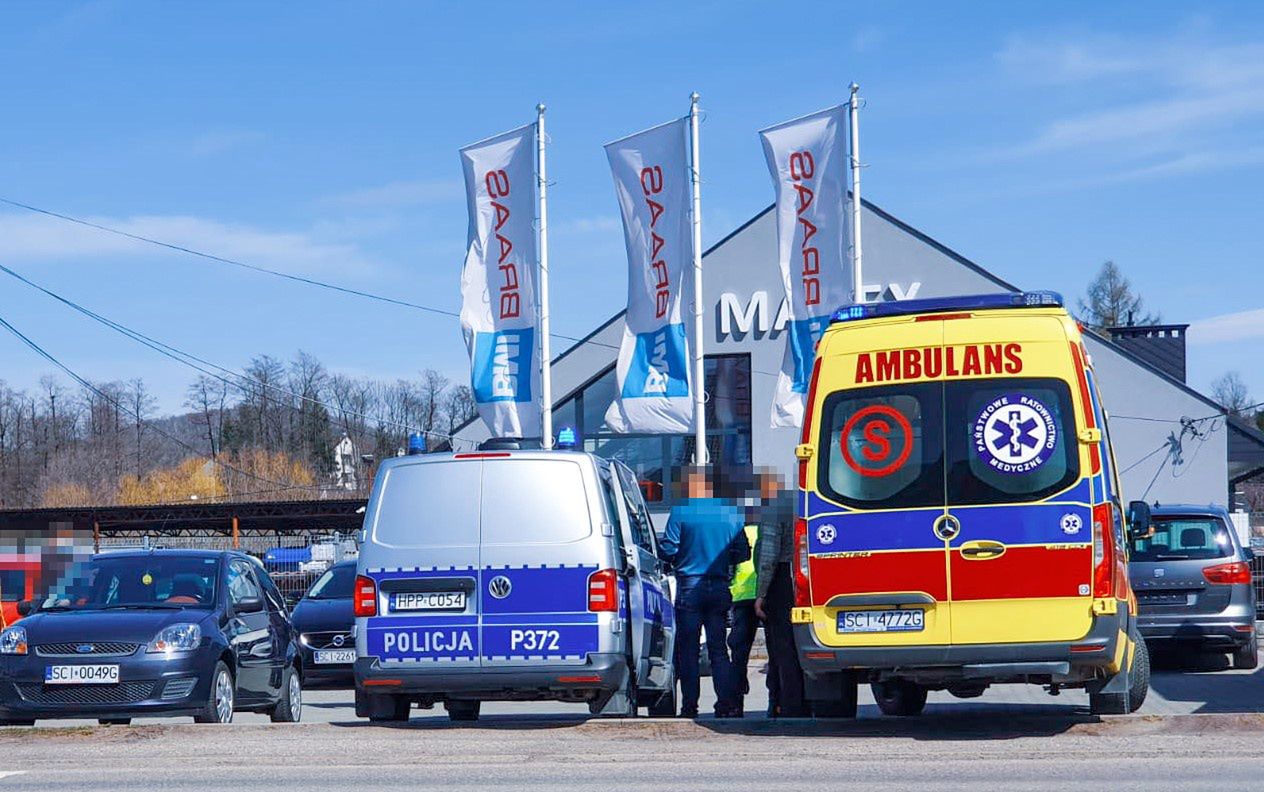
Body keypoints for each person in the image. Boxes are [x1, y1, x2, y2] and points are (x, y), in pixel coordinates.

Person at [660, 468, 748, 719]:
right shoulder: (731, 513)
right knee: (718, 649)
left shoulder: (681, 511)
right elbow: (743, 552)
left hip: (689, 585)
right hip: (719, 586)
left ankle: (690, 707)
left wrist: (681, 557)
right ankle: (725, 705)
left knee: (687, 650)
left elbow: (668, 549)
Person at [753, 471, 808, 717]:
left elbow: (768, 554)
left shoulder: (777, 506)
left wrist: (761, 593)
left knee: (783, 648)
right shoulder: (809, 501)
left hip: (783, 580)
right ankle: (812, 701)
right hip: (810, 574)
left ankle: (789, 705)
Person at [726, 522, 760, 718]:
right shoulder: (764, 529)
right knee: (778, 654)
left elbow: (730, 565)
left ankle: (735, 704)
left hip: (741, 598)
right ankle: (777, 704)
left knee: (739, 655)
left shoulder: (737, 530)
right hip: (766, 596)